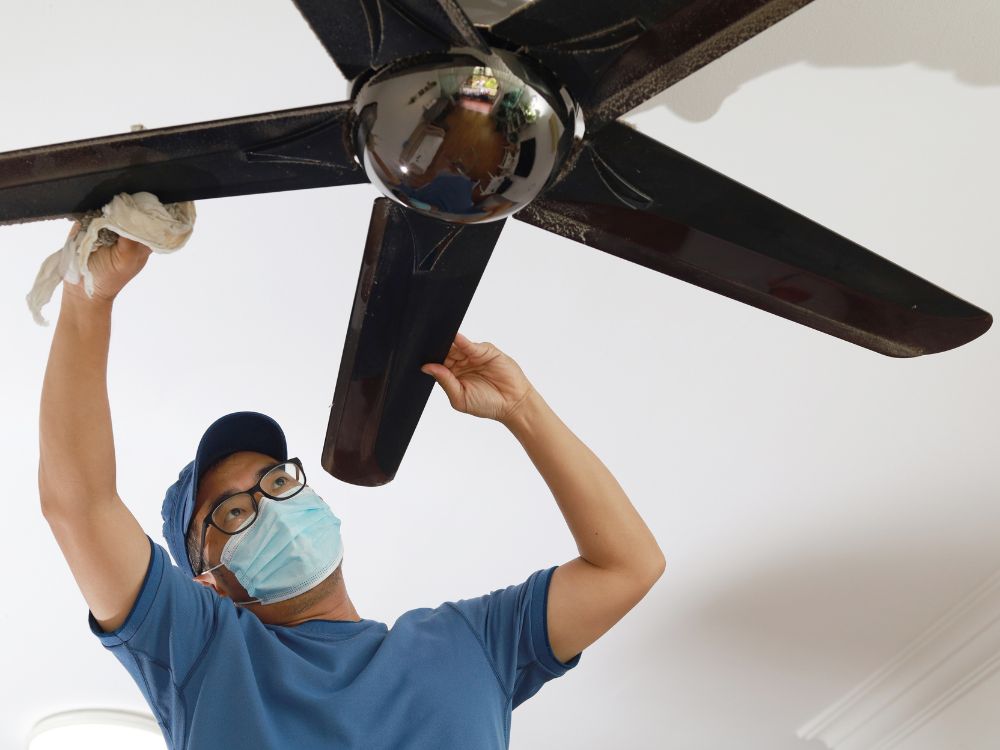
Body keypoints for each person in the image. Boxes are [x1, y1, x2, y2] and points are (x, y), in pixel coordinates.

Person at [38, 222, 666, 749]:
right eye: (232, 513)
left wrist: (522, 407)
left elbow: (628, 566)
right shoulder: (209, 655)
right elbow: (79, 505)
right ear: (210, 584)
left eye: (278, 480)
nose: (272, 507)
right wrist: (87, 299)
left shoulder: (470, 645)